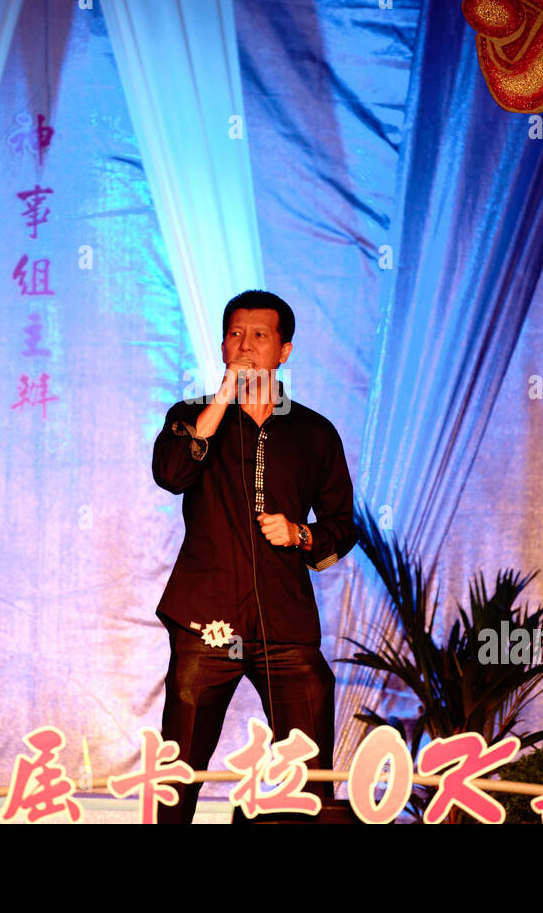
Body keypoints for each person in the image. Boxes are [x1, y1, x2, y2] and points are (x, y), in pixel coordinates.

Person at [151, 289, 357, 823]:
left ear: (284, 350)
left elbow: (341, 526)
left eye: (260, 336)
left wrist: (300, 535)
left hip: (285, 622)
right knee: (180, 772)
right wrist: (222, 398)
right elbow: (172, 475)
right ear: (222, 345)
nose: (246, 346)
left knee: (304, 775)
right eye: (236, 335)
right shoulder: (192, 416)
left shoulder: (314, 432)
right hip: (207, 620)